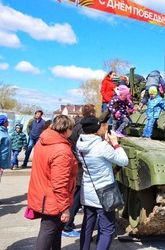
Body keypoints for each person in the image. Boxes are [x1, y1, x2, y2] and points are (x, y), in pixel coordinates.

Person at [76, 115, 129, 250]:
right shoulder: (101, 147)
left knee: (87, 226)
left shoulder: (80, 143)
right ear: (96, 128)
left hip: (88, 191)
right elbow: (123, 161)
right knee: (107, 229)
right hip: (104, 193)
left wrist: (105, 143)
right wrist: (115, 143)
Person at [27, 115, 78, 250]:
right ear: (67, 129)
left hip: (43, 194)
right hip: (52, 199)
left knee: (54, 231)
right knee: (48, 230)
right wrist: (65, 208)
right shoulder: (62, 150)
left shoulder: (42, 141)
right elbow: (59, 183)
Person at [62, 104, 96, 238]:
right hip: (80, 167)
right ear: (92, 113)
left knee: (75, 195)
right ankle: (66, 226)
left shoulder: (77, 124)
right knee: (76, 197)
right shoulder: (84, 129)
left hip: (76, 164)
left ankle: (67, 223)